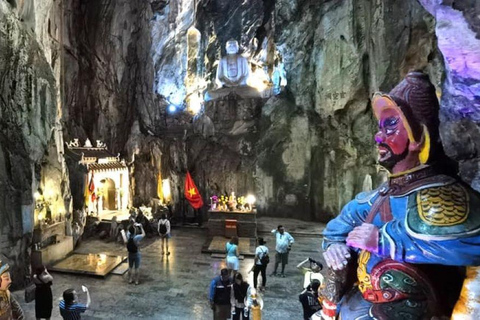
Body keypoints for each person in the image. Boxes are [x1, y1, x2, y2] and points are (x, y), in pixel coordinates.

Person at [321, 71, 480, 320]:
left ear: (419, 136)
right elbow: (336, 229)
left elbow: (465, 242)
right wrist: (334, 247)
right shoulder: (376, 198)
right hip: (360, 304)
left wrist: (384, 239)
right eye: (380, 127)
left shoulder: (443, 194)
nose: (378, 136)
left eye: (391, 125)